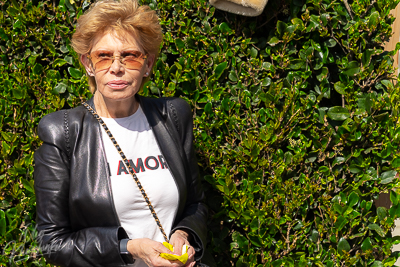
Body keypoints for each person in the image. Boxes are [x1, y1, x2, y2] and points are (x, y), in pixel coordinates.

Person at [33, 0, 208, 266]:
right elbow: (52, 242)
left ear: (147, 64)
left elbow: (196, 204)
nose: (116, 67)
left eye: (130, 55)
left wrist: (184, 234)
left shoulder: (173, 116)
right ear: (88, 64)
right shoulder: (63, 132)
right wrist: (130, 247)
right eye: (103, 56)